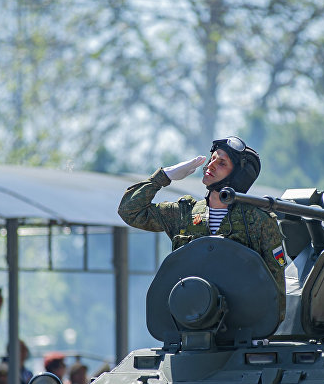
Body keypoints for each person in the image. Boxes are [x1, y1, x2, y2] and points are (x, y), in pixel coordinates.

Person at [118, 136, 286, 319]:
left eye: (221, 163)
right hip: (190, 319)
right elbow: (129, 211)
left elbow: (275, 283)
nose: (210, 165)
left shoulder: (258, 221)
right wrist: (163, 177)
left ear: (238, 175)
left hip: (242, 324)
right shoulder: (184, 214)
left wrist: (264, 330)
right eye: (212, 159)